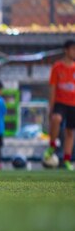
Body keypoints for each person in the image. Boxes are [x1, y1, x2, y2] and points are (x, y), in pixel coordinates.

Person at [44, 39, 75, 171]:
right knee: (56, 119)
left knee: (70, 132)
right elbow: (53, 88)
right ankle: (52, 146)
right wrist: (51, 108)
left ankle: (67, 160)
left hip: (73, 104)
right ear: (66, 50)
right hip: (60, 102)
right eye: (73, 49)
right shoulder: (57, 67)